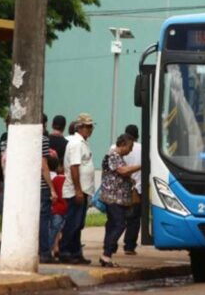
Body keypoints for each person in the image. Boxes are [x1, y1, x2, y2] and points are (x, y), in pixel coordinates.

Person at [58, 113, 96, 265]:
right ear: (79, 127)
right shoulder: (76, 144)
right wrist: (78, 190)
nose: (90, 129)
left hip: (84, 190)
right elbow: (74, 167)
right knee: (72, 223)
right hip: (76, 191)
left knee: (78, 224)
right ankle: (65, 251)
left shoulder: (83, 143)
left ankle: (75, 252)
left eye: (91, 126)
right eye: (86, 126)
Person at [99, 133, 141, 267]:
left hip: (118, 198)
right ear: (122, 145)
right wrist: (141, 166)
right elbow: (122, 171)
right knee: (119, 224)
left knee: (113, 224)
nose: (131, 150)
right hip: (114, 198)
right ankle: (106, 254)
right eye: (130, 146)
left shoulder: (118, 157)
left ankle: (107, 255)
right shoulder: (113, 156)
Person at [39, 115, 58, 263]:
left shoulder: (20, 139)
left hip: (26, 186)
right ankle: (45, 252)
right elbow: (43, 166)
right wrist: (52, 188)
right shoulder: (43, 140)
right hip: (41, 186)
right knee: (44, 220)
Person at [121, 125, 142, 255]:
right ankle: (129, 246)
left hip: (121, 187)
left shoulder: (116, 147)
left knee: (117, 217)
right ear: (137, 136)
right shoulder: (142, 148)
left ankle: (110, 243)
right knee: (134, 218)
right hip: (137, 188)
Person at [48, 156, 67, 259]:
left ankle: (51, 249)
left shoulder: (55, 179)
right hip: (67, 209)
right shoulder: (68, 180)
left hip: (56, 209)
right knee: (61, 231)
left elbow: (53, 195)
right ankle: (58, 248)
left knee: (54, 230)